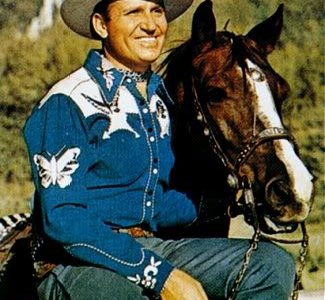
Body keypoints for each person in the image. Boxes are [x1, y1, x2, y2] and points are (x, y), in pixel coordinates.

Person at [24, 0, 296, 299]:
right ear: (102, 24)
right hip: (74, 260)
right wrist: (161, 275)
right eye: (133, 12)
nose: (151, 25)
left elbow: (156, 207)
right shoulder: (68, 101)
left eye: (156, 11)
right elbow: (63, 219)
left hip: (153, 246)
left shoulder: (164, 101)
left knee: (271, 265)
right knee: (116, 292)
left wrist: (228, 202)